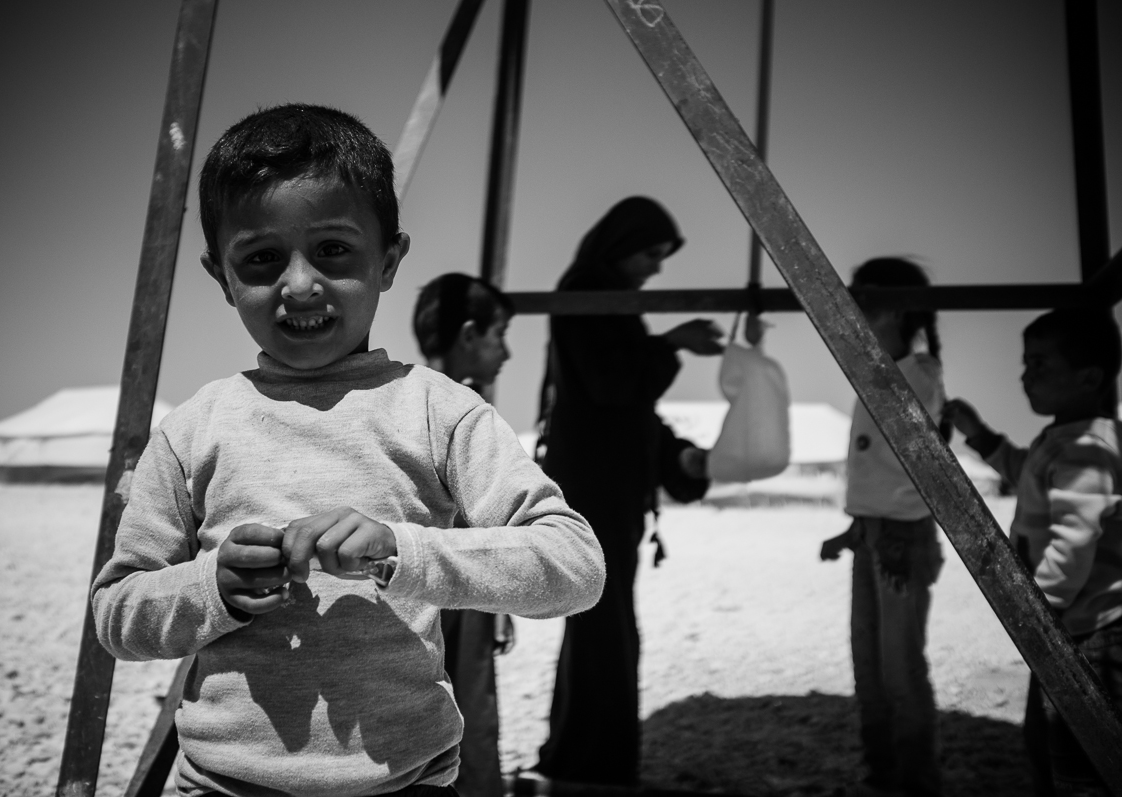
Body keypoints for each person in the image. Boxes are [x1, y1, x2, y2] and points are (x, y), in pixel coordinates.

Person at [91, 104, 606, 797]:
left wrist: (403, 550)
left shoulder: (438, 411)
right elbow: (117, 613)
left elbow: (574, 565)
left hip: (405, 783)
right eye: (262, 258)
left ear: (388, 259)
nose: (299, 284)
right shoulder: (194, 428)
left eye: (333, 249)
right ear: (221, 274)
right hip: (220, 784)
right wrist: (212, 585)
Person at [532, 196, 722, 786]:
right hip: (595, 497)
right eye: (651, 253)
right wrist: (674, 343)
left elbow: (626, 410)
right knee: (605, 633)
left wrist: (674, 457)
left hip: (605, 493)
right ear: (622, 246)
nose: (656, 268)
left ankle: (574, 756)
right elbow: (615, 385)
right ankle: (595, 768)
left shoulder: (608, 299)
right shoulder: (590, 291)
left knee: (598, 628)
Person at [944, 309, 1122, 797]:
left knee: (1080, 753)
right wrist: (979, 435)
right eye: (1025, 363)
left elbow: (1075, 539)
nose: (1025, 376)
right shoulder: (1062, 438)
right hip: (1069, 626)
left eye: (1040, 364)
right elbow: (1023, 469)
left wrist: (1039, 612)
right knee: (1046, 740)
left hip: (1090, 631)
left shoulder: (1088, 447)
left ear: (1089, 377)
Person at [819, 257, 947, 797]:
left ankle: (913, 782)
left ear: (893, 309)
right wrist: (856, 529)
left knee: (898, 671)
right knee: (869, 666)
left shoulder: (917, 377)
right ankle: (884, 775)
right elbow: (882, 471)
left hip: (899, 540)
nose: (852, 316)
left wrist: (884, 527)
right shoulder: (879, 375)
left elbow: (921, 473)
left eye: (862, 304)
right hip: (875, 535)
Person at [412, 272, 516, 797]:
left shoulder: (406, 403)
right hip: (463, 592)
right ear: (470, 334)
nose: (509, 352)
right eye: (500, 334)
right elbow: (488, 523)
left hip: (412, 585)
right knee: (470, 707)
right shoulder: (469, 412)